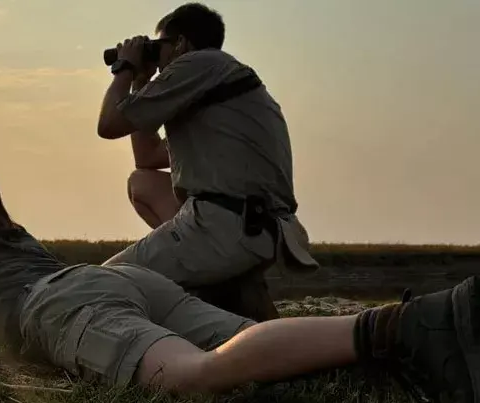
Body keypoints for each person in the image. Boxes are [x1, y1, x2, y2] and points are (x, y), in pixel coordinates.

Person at [0, 168, 480, 403]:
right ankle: (432, 341)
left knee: (197, 375)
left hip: (57, 308)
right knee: (262, 348)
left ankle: (403, 324)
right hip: (116, 281)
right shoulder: (14, 235)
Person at [95, 3, 318, 321]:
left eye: (159, 46)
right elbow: (147, 158)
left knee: (101, 285)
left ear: (181, 43)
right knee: (142, 182)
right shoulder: (218, 92)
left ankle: (213, 279)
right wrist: (140, 82)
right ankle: (229, 284)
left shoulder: (198, 63)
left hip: (231, 226)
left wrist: (124, 67)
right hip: (260, 226)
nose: (158, 60)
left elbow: (109, 125)